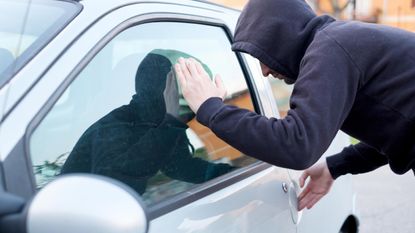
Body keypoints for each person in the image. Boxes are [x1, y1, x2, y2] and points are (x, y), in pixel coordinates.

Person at [174, 0, 415, 211]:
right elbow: (400, 128)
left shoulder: (331, 47)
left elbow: (297, 145)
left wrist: (210, 108)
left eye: (262, 55)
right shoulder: (341, 41)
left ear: (281, 35)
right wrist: (335, 166)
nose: (265, 71)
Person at [61, 50, 234, 195]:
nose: (194, 107)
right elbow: (116, 185)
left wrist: (225, 173)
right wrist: (172, 121)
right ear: (165, 91)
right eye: (183, 92)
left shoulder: (157, 121)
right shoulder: (116, 126)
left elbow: (177, 166)